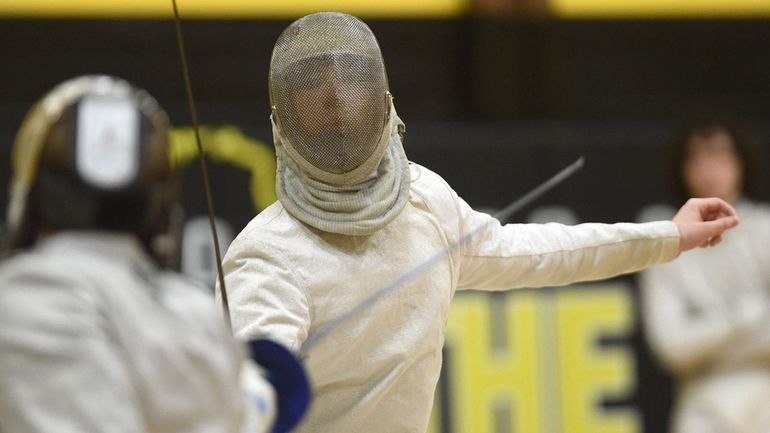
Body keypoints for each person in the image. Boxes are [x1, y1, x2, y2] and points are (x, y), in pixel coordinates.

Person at [219, 12, 739, 433]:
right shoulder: (268, 255)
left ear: (381, 101)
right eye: (317, 96)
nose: (336, 107)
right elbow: (248, 394)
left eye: (347, 88)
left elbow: (543, 252)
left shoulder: (424, 201)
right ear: (285, 123)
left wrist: (667, 236)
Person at [0, 75, 308, 433]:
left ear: (31, 197)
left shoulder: (18, 301)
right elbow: (251, 409)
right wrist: (265, 388)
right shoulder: (192, 318)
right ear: (158, 207)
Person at [639, 113, 770, 433]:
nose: (708, 168)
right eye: (696, 157)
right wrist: (745, 317)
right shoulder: (665, 243)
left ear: (741, 161)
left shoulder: (766, 229)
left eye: (719, 153)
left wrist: (708, 334)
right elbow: (672, 345)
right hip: (702, 402)